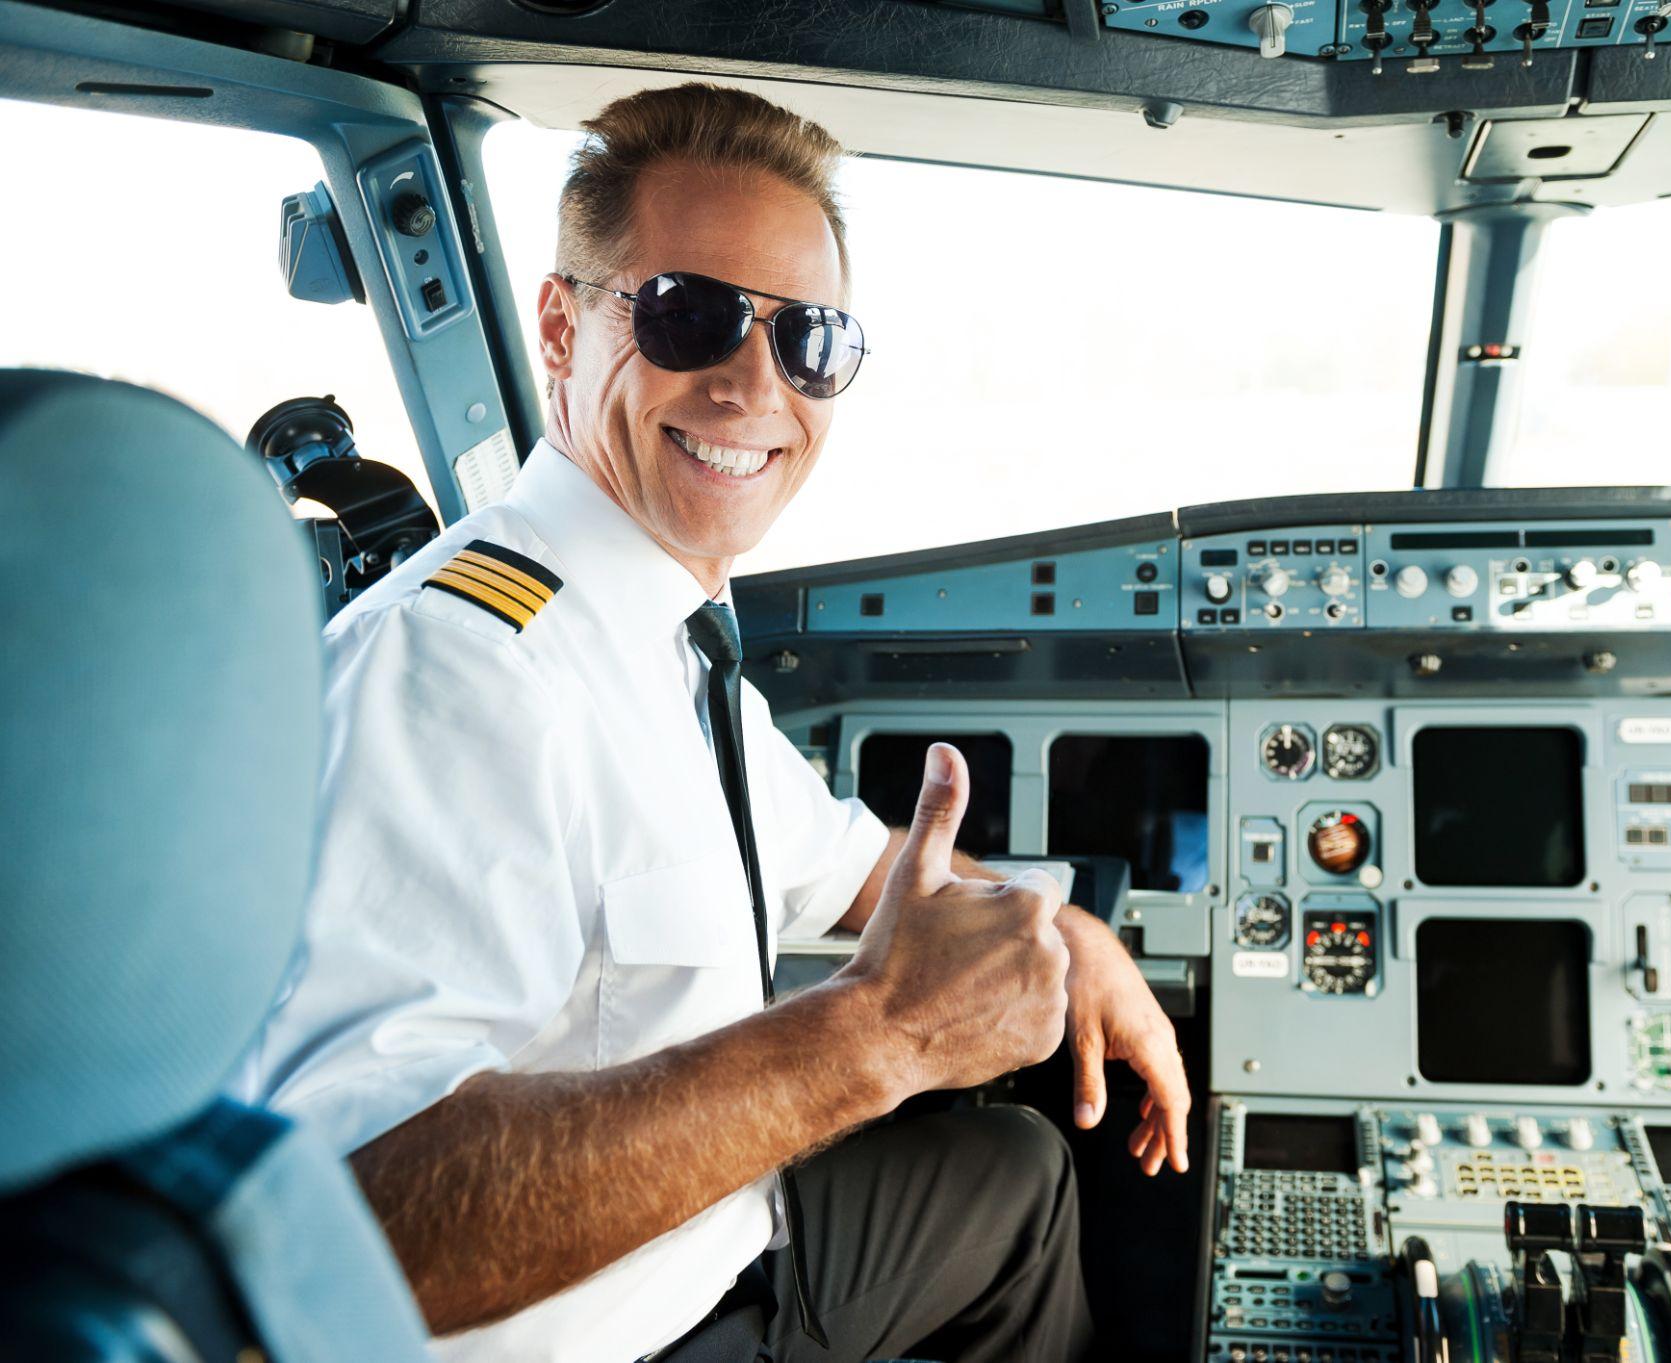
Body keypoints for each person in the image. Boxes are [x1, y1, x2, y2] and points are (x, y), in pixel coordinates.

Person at [238, 83, 1191, 1363]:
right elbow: (358, 1236)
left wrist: (1067, 929)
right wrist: (881, 1034)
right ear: (562, 329)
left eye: (808, 340)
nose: (754, 385)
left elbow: (845, 862)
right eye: (692, 315)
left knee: (1011, 1178)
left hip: (711, 1237)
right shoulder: (463, 672)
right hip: (605, 1332)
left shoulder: (649, 627)